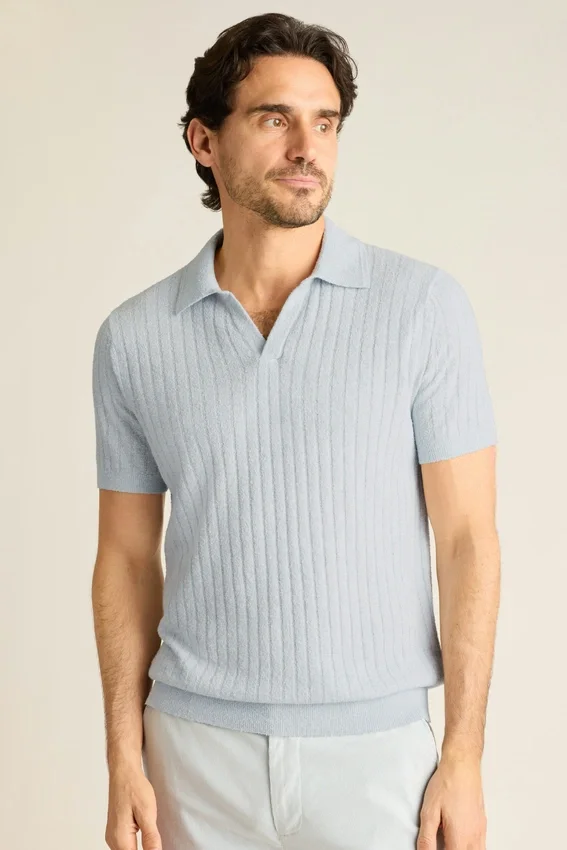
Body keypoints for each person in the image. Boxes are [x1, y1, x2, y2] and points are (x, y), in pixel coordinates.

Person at [91, 12, 500, 850]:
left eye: (325, 122)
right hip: (192, 756)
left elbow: (466, 541)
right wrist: (123, 757)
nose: (306, 147)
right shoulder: (134, 337)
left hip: (377, 755)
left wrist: (462, 756)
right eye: (274, 119)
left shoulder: (421, 308)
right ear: (204, 141)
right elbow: (126, 558)